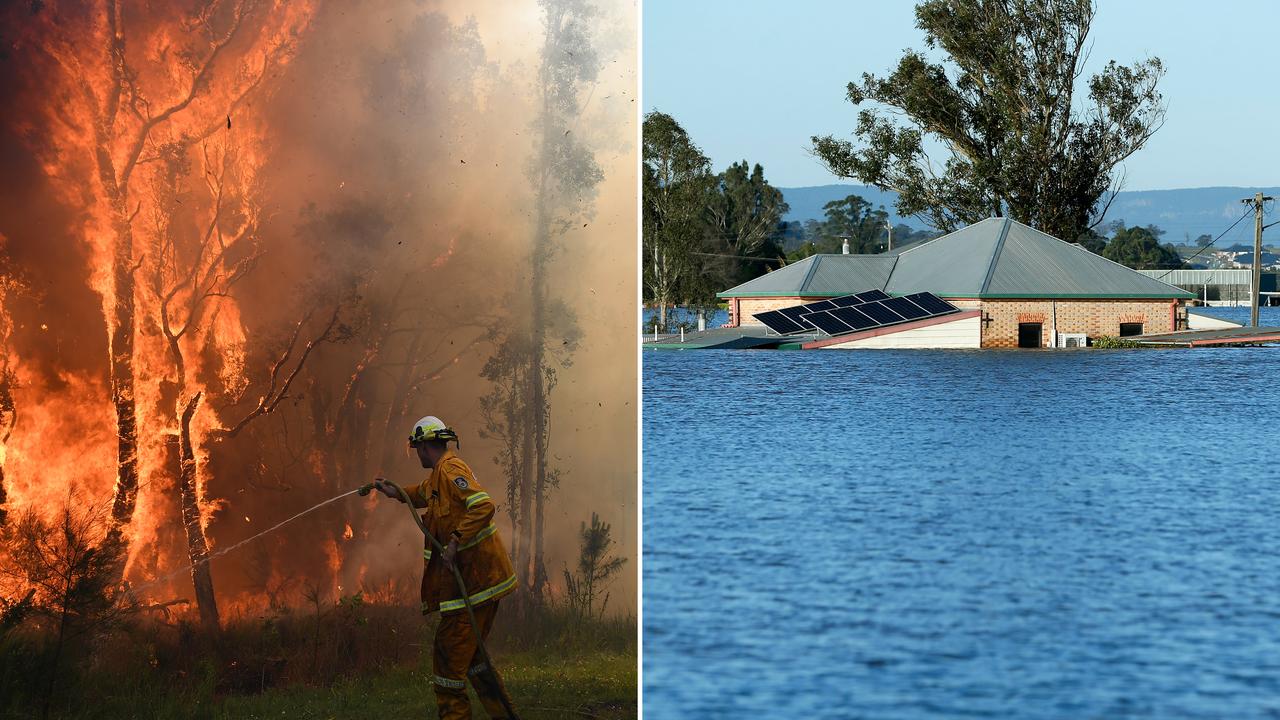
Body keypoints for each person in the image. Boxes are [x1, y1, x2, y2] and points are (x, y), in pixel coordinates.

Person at [372, 415, 518, 719]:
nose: (416, 454)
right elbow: (422, 494)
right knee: (474, 661)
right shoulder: (439, 476)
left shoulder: (451, 469)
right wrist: (395, 491)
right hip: (477, 585)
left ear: (425, 446)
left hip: (477, 585)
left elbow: (483, 505)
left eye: (417, 448)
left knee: (447, 663)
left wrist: (454, 541)